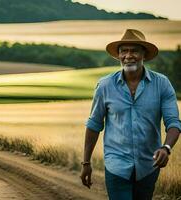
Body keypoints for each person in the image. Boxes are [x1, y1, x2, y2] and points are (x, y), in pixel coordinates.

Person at [79, 29, 181, 200]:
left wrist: (166, 148)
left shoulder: (162, 84)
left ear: (144, 54)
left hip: (149, 166)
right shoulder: (105, 86)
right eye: (123, 51)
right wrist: (86, 163)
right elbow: (94, 125)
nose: (128, 55)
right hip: (116, 166)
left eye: (134, 50)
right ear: (118, 55)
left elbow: (174, 123)